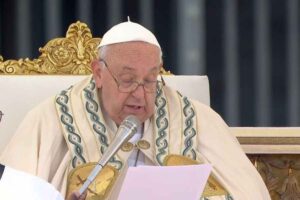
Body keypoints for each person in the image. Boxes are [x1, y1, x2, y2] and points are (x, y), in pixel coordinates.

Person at [0, 19, 271, 200]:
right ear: (98, 73)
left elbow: (248, 193)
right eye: (127, 80)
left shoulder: (195, 119)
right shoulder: (52, 119)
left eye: (151, 80)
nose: (140, 95)